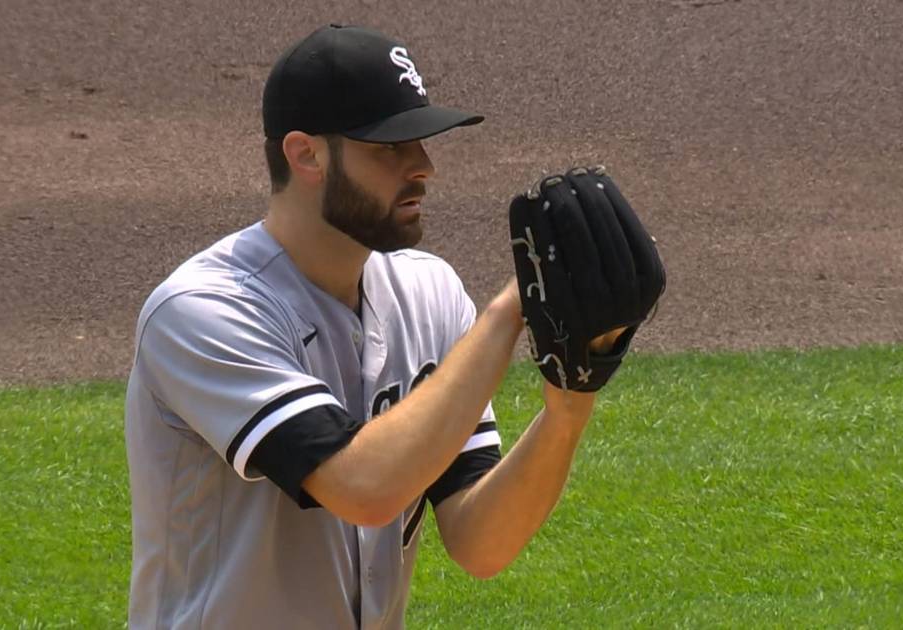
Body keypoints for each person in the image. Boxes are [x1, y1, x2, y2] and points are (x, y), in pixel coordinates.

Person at [124, 24, 626, 629]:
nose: (424, 166)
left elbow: (481, 542)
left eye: (420, 141)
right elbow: (363, 489)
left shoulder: (429, 293)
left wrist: (570, 402)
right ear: (306, 154)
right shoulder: (203, 311)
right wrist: (513, 307)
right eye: (389, 146)